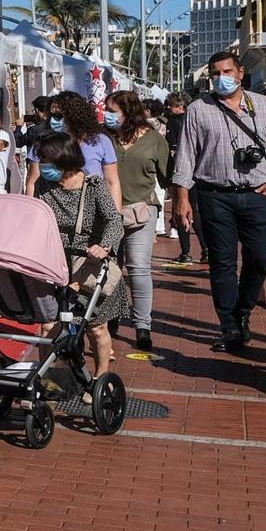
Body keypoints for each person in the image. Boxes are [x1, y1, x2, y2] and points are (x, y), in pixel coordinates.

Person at [169, 50, 266, 353]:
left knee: (260, 258)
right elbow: (185, 156)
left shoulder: (263, 106)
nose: (220, 78)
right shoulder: (198, 109)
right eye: (214, 73)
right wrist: (181, 198)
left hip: (257, 194)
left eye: (226, 72)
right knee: (222, 263)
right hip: (215, 195)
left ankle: (243, 310)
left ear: (240, 73)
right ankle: (230, 326)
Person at [36, 134, 127, 384]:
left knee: (95, 328)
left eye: (46, 160)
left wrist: (104, 245)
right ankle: (47, 379)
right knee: (48, 326)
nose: (42, 165)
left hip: (89, 263)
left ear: (63, 159)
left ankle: (100, 378)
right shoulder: (43, 186)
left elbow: (113, 220)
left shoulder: (94, 186)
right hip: (56, 263)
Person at [108, 90, 169, 353]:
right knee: (109, 268)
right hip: (108, 212)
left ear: (128, 111)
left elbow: (168, 176)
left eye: (113, 110)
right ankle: (109, 316)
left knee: (138, 268)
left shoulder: (154, 139)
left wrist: (180, 206)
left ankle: (143, 325)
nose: (107, 115)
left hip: (142, 210)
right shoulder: (105, 137)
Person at [43, 92, 123, 210]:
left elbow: (112, 181)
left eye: (59, 115)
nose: (54, 120)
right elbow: (34, 179)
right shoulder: (46, 142)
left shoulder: (101, 141)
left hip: (93, 209)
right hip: (57, 208)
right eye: (52, 115)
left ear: (74, 115)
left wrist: (116, 218)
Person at [164, 93, 204, 269]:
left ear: (180, 106)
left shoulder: (173, 122)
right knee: (196, 211)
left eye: (171, 105)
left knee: (179, 210)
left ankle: (186, 252)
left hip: (179, 171)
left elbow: (172, 145)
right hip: (197, 171)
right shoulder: (196, 121)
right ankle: (206, 248)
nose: (168, 108)